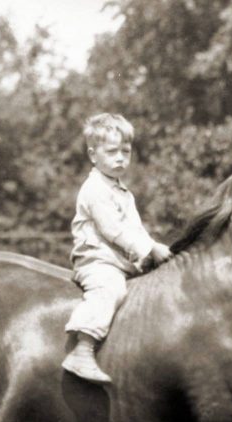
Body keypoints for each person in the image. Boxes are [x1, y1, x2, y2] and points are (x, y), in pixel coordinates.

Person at [62, 113, 172, 384]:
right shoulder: (95, 189)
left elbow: (136, 229)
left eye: (126, 151)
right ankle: (82, 349)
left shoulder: (123, 191)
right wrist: (149, 249)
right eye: (112, 151)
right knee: (110, 289)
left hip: (122, 262)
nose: (121, 158)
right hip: (97, 261)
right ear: (93, 155)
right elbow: (114, 230)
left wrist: (153, 251)